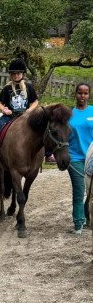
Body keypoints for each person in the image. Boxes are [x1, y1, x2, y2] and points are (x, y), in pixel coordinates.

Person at [67, 83, 93, 234]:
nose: (82, 96)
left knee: (90, 191)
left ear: (89, 95)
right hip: (74, 157)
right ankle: (78, 222)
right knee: (79, 190)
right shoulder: (69, 114)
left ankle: (87, 214)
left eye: (85, 93)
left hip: (92, 156)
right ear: (75, 94)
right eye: (80, 93)